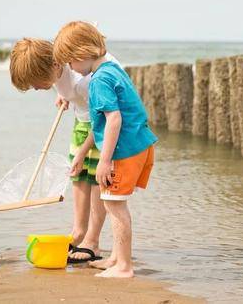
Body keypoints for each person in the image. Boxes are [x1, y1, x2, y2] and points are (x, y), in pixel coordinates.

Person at [53, 21, 157, 278]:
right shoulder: (112, 68)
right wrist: (81, 153)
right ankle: (115, 257)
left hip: (125, 150)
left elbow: (113, 119)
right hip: (139, 144)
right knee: (113, 203)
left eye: (70, 63)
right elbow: (101, 124)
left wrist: (104, 160)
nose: (71, 69)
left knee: (114, 205)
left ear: (80, 56)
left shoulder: (98, 81)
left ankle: (124, 266)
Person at [9, 37, 118, 263]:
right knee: (78, 175)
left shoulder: (85, 80)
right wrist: (64, 94)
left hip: (102, 127)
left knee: (97, 179)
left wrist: (83, 149)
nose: (36, 89)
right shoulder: (61, 73)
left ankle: (93, 241)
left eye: (36, 83)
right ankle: (78, 232)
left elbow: (103, 120)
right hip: (82, 122)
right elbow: (67, 85)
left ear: (55, 65)